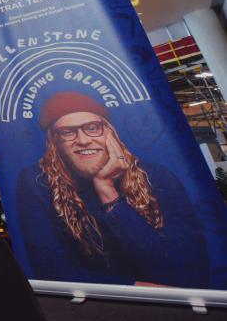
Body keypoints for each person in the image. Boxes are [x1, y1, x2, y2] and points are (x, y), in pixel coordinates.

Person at [15, 91, 210, 287]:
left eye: (92, 128)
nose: (83, 140)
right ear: (54, 142)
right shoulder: (37, 184)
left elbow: (187, 269)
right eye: (67, 132)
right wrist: (132, 287)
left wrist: (107, 191)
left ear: (110, 132)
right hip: (95, 311)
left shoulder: (156, 178)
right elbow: (52, 271)